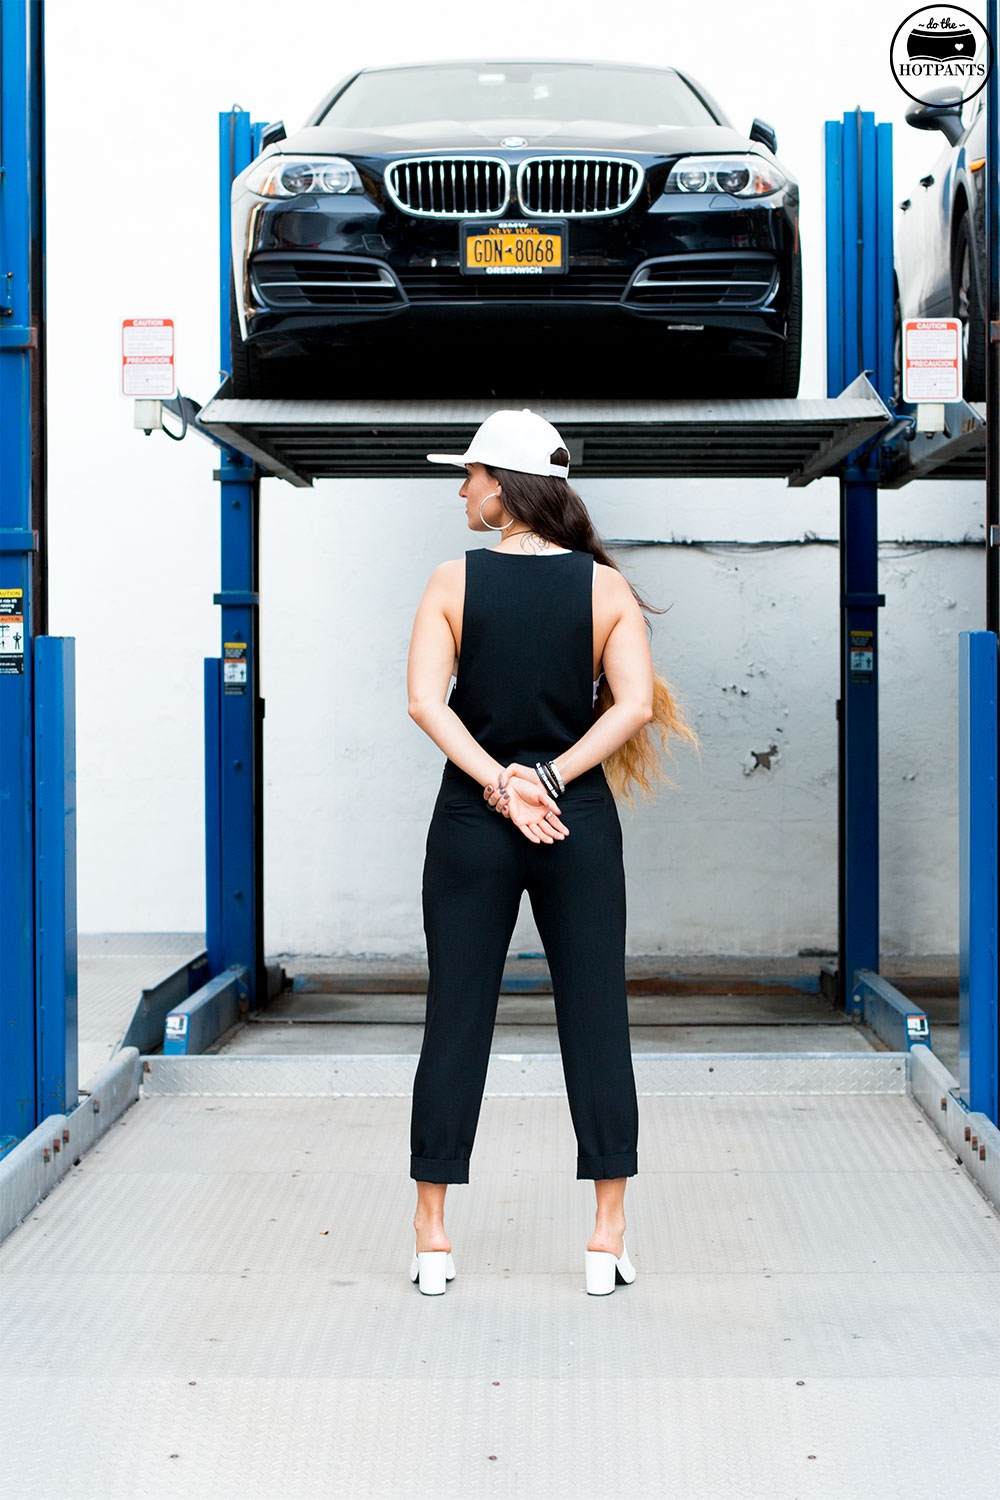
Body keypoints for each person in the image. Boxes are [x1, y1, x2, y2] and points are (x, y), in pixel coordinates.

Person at [405, 408, 694, 1296]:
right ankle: (606, 1238)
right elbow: (635, 706)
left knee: (456, 1013)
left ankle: (432, 1241)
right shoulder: (606, 590)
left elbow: (425, 702)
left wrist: (500, 784)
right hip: (575, 822)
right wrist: (547, 780)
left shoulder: (451, 581)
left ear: (503, 485)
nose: (461, 490)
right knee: (597, 1014)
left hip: (470, 822)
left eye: (470, 476)